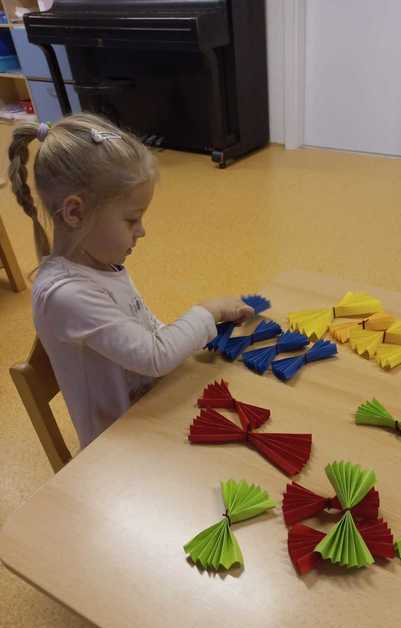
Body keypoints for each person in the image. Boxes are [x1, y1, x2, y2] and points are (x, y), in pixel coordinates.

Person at [8, 113, 253, 448]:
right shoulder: (67, 296)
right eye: (131, 219)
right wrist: (208, 312)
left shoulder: (101, 262)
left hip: (151, 409)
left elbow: (147, 327)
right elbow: (154, 356)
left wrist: (192, 340)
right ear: (75, 213)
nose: (141, 231)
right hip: (117, 446)